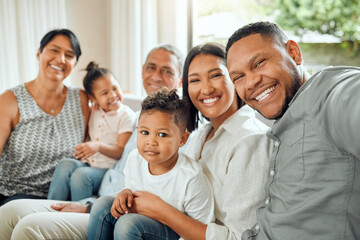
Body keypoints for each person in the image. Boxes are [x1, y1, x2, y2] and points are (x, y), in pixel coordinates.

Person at [0, 44, 183, 240]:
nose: (156, 76)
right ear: (142, 71)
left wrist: (89, 207)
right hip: (96, 198)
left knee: (29, 227)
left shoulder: (176, 131)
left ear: (179, 80)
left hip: (110, 211)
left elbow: (157, 191)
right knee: (8, 212)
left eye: (167, 71)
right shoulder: (138, 116)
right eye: (151, 67)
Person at [95, 43, 272, 240]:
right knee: (103, 206)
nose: (206, 88)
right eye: (195, 80)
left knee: (128, 225)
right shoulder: (201, 135)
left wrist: (161, 210)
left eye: (215, 75)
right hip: (171, 228)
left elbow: (242, 237)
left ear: (234, 77)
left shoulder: (250, 139)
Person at [225, 21, 360, 240]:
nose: (250, 83)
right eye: (238, 77)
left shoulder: (325, 93)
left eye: (259, 63)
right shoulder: (282, 124)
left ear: (294, 53)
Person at [88, 89, 214, 239]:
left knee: (127, 224)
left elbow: (203, 230)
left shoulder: (191, 177)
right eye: (145, 132)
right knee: (102, 205)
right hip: (141, 221)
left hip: (174, 232)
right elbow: (133, 189)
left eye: (162, 135)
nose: (151, 142)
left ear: (182, 139)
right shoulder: (135, 158)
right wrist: (126, 193)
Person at [0, 28, 90, 206]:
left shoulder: (81, 98)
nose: (61, 59)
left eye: (69, 55)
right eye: (54, 50)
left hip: (63, 197)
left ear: (75, 63)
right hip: (16, 195)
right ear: (39, 53)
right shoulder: (10, 100)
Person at [47, 61, 136, 201]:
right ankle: (50, 207)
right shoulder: (95, 111)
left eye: (115, 88)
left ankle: (77, 213)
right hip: (88, 163)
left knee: (81, 175)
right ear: (93, 98)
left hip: (107, 169)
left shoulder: (126, 115)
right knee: (65, 164)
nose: (113, 95)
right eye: (104, 93)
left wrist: (98, 146)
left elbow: (120, 151)